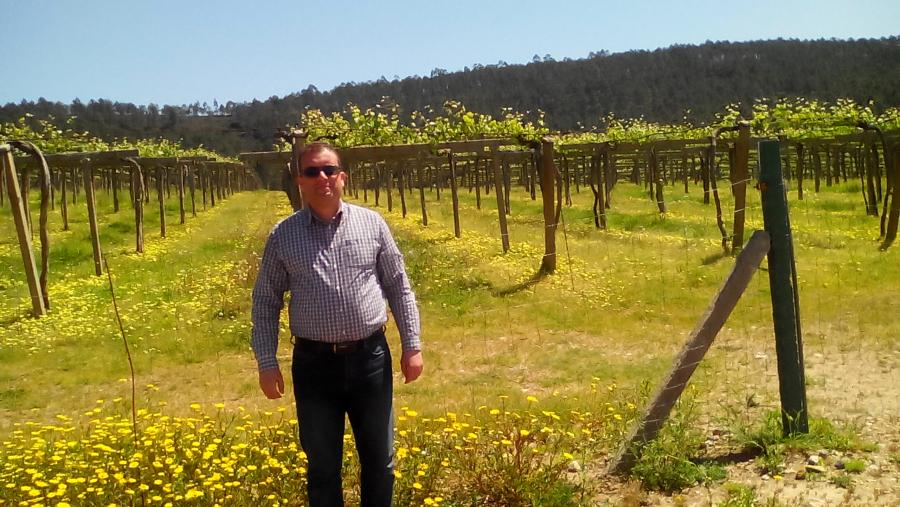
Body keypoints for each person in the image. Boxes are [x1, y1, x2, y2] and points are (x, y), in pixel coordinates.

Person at [251, 142, 423, 507]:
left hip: (371, 360)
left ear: (343, 176)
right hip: (314, 366)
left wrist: (413, 345)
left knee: (381, 462)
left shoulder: (372, 224)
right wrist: (267, 362)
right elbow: (266, 301)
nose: (322, 178)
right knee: (322, 467)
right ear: (300, 181)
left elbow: (398, 285)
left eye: (329, 170)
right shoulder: (283, 234)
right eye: (312, 172)